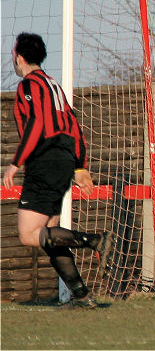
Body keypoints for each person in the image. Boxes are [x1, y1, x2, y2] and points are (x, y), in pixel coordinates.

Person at [2, 33, 113, 309]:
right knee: (50, 233)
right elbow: (74, 126)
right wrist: (79, 166)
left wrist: (16, 162)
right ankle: (82, 297)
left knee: (29, 234)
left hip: (45, 161)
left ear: (18, 56)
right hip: (63, 161)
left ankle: (95, 240)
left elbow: (37, 123)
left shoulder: (28, 84)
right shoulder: (53, 85)